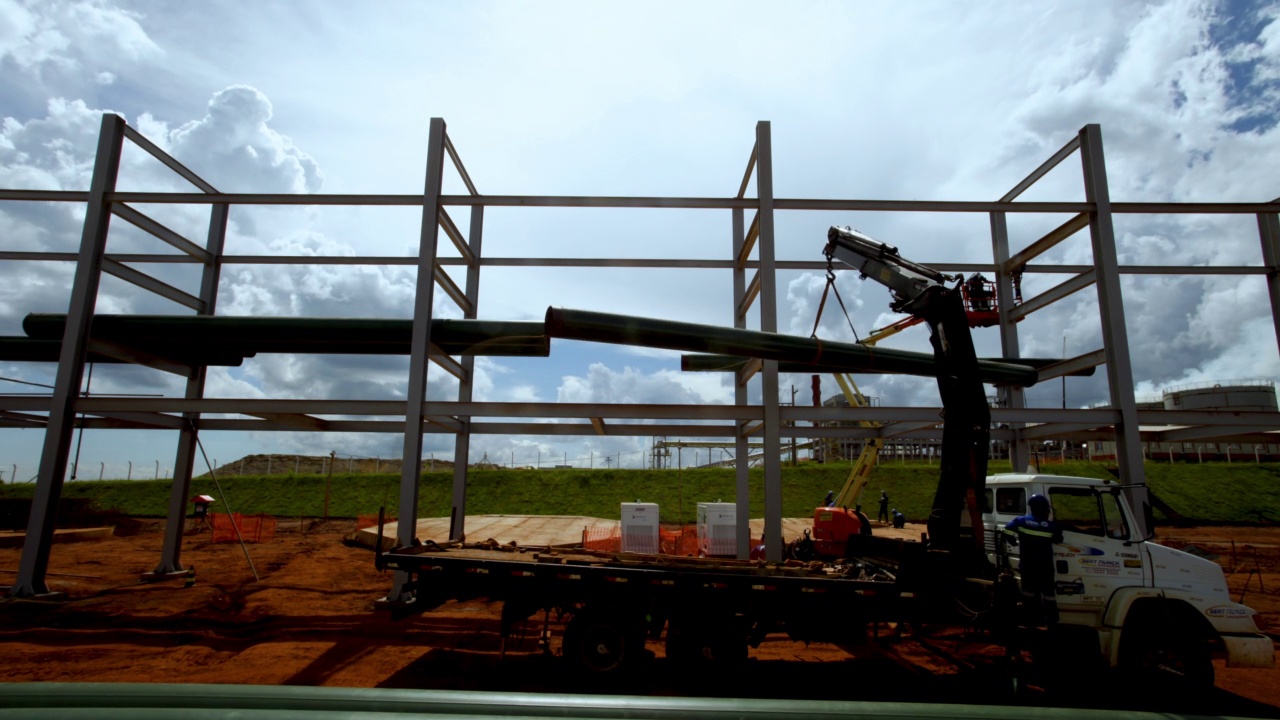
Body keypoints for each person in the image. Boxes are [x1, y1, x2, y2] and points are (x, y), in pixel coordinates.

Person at [1001, 493, 1063, 625]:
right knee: (1048, 594)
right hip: (1045, 566)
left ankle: (1030, 618)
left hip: (1028, 565)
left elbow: (1006, 531)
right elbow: (1058, 539)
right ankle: (1051, 619)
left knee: (1028, 592)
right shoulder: (1051, 526)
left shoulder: (1021, 521)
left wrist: (1013, 542)